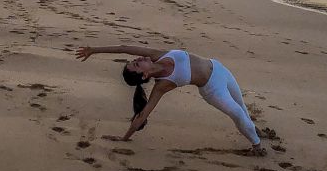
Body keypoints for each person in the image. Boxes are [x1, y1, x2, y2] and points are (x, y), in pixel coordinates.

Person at [75, 44, 263, 152]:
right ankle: (257, 146)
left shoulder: (156, 55)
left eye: (135, 61)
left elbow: (124, 47)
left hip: (219, 68)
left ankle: (253, 130)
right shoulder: (162, 85)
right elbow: (143, 115)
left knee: (242, 106)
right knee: (237, 113)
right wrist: (124, 138)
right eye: (136, 64)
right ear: (144, 76)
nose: (138, 59)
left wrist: (94, 50)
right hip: (212, 89)